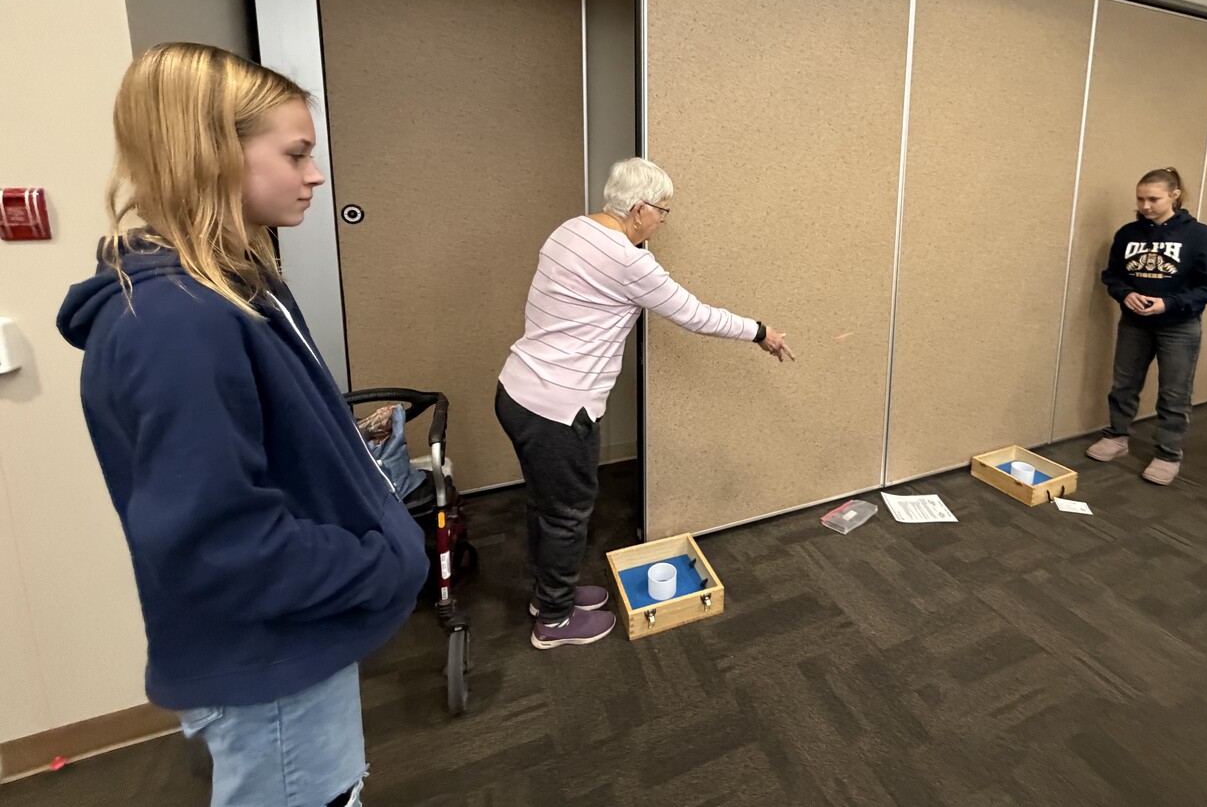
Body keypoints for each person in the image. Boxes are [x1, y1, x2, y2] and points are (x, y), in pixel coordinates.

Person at [56, 44, 427, 807]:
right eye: (295, 154)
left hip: (295, 638)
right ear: (213, 153)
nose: (314, 175)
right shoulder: (176, 322)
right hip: (270, 655)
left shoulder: (236, 287)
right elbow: (222, 546)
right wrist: (383, 564)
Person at [496, 157, 794, 648]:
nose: (662, 221)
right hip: (557, 409)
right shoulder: (628, 260)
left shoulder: (570, 230)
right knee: (567, 513)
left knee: (547, 505)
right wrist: (761, 331)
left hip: (517, 391)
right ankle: (554, 621)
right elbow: (696, 315)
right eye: (662, 211)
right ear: (638, 209)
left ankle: (550, 594)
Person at [1085, 167, 1207, 485]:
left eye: (1153, 199)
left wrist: (1170, 303)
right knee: (1124, 385)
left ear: (1174, 196)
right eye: (1140, 199)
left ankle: (1168, 454)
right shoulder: (1127, 234)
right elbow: (1112, 275)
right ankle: (1117, 436)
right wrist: (1125, 293)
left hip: (1179, 326)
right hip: (1134, 324)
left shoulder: (1203, 236)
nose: (1145, 206)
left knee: (1174, 393)